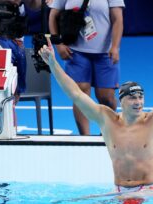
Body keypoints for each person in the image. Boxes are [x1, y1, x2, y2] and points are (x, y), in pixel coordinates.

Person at [39, 36, 153, 198]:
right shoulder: (107, 120)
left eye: (140, 97)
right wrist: (53, 65)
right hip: (119, 189)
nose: (138, 102)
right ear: (121, 101)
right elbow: (76, 94)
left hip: (148, 190)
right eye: (132, 98)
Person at [48, 0, 124, 135]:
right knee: (80, 94)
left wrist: (115, 47)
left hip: (105, 52)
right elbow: (53, 16)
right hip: (75, 52)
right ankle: (85, 137)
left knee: (106, 97)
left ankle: (107, 134)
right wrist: (58, 44)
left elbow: (117, 19)